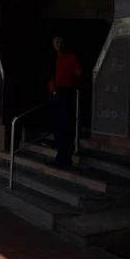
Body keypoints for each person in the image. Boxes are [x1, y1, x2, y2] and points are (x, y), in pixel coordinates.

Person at [48, 36, 83, 167]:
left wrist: (72, 84)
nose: (57, 45)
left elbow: (79, 73)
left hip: (67, 93)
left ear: (64, 44)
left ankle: (65, 157)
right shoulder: (55, 59)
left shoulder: (71, 57)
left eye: (59, 42)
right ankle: (60, 156)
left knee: (64, 126)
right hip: (56, 94)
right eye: (55, 42)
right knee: (57, 127)